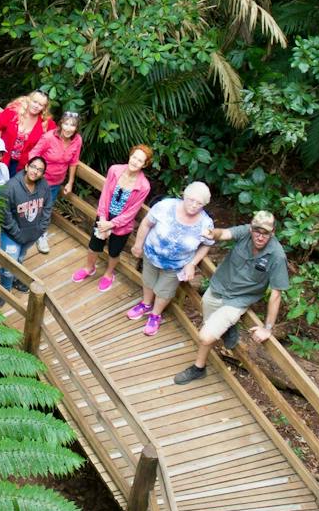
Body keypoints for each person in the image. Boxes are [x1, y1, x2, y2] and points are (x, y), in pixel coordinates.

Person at [173, 211, 290, 385]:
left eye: (265, 232)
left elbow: (276, 294)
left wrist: (267, 328)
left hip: (238, 300)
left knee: (205, 336)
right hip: (219, 286)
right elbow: (225, 233)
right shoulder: (245, 232)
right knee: (209, 324)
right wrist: (213, 234)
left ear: (272, 233)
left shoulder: (277, 256)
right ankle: (217, 343)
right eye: (257, 230)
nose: (260, 236)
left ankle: (199, 366)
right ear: (251, 228)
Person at [127, 182, 215, 336]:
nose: (194, 205)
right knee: (148, 281)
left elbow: (206, 245)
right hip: (151, 254)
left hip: (176, 264)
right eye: (191, 200)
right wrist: (138, 244)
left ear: (204, 204)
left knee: (164, 291)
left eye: (199, 203)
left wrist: (192, 264)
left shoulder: (206, 224)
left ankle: (155, 315)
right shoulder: (165, 206)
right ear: (184, 196)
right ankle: (146, 304)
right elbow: (146, 223)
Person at [72, 144, 152, 291]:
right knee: (94, 245)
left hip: (122, 224)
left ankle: (109, 274)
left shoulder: (144, 186)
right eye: (134, 157)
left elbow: (132, 212)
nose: (135, 161)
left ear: (144, 164)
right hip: (104, 216)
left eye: (140, 160)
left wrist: (112, 224)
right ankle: (89, 268)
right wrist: (103, 218)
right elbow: (105, 195)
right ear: (130, 156)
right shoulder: (115, 170)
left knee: (114, 251)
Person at [28, 110, 83, 252]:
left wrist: (70, 182)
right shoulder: (49, 137)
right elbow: (33, 153)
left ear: (76, 128)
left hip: (56, 181)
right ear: (61, 124)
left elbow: (74, 162)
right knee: (32, 205)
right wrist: (35, 172)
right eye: (66, 124)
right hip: (40, 179)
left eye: (72, 125)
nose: (68, 128)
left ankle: (41, 236)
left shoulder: (77, 140)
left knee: (47, 208)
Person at [0, 157, 50, 291]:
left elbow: (47, 207)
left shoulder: (44, 186)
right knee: (9, 266)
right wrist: (17, 234)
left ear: (42, 174)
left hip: (31, 234)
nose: (35, 171)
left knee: (20, 259)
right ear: (26, 167)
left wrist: (40, 229)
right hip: (12, 235)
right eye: (33, 167)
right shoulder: (10, 187)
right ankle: (5, 290)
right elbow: (5, 215)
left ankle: (15, 281)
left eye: (39, 170)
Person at [0, 90, 48, 175]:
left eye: (40, 105)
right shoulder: (13, 112)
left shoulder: (44, 122)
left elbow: (56, 134)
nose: (36, 106)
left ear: (44, 108)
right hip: (1, 155)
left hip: (20, 164)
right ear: (29, 100)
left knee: (11, 186)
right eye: (35, 102)